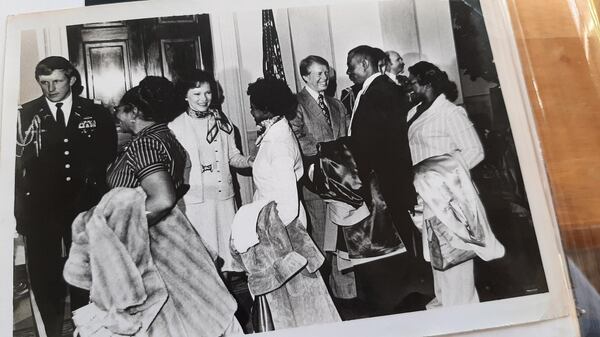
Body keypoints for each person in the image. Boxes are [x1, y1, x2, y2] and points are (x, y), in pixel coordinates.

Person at [101, 76, 241, 335]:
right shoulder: (165, 134)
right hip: (172, 235)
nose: (116, 115)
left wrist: (120, 224)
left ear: (134, 112)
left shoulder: (144, 143)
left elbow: (163, 198)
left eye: (120, 109)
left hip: (152, 242)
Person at [14, 56, 117, 337]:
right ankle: (52, 329)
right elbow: (15, 168)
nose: (50, 88)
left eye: (57, 81)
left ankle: (86, 327)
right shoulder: (25, 115)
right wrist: (20, 214)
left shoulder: (94, 113)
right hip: (41, 209)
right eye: (44, 83)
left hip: (84, 204)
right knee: (44, 274)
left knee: (86, 268)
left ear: (71, 79)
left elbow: (107, 153)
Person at [233, 78, 340, 328]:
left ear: (267, 108)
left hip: (282, 230)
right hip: (275, 225)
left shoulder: (279, 144)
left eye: (253, 105)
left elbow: (288, 206)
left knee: (296, 302)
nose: (250, 110)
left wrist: (270, 239)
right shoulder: (276, 130)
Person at [346, 45, 432, 314]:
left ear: (364, 64)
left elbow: (371, 141)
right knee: (401, 233)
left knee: (398, 233)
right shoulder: (379, 88)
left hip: (386, 177)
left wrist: (356, 168)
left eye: (351, 67)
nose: (349, 72)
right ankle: (409, 288)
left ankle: (407, 293)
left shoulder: (379, 90)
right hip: (389, 175)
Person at [406, 61, 488, 307]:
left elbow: (475, 151)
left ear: (427, 83)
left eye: (412, 82)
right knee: (439, 263)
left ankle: (465, 320)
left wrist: (441, 178)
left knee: (458, 267)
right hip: (428, 199)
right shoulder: (413, 113)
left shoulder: (450, 112)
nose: (408, 86)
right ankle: (447, 316)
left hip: (453, 199)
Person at [168, 69, 252, 275]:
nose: (203, 99)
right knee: (202, 262)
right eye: (196, 94)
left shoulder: (224, 122)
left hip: (224, 200)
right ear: (185, 96)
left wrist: (251, 161)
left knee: (228, 259)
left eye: (207, 93)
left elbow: (233, 157)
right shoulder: (174, 127)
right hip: (195, 205)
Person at [289, 55, 348, 252]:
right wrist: (329, 152)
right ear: (305, 77)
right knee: (323, 242)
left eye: (326, 73)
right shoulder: (295, 103)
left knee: (343, 245)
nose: (325, 78)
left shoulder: (337, 104)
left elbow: (347, 136)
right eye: (319, 74)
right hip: (316, 184)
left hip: (343, 183)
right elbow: (296, 137)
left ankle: (346, 284)